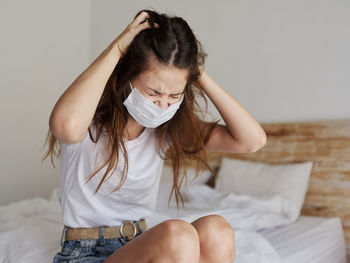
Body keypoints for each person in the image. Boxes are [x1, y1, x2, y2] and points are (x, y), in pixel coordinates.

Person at [43, 8, 266, 263]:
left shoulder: (168, 131)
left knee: (217, 229)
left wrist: (197, 72)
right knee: (177, 235)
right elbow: (65, 125)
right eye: (153, 93)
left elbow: (252, 141)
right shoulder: (88, 120)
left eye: (174, 96)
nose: (163, 105)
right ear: (128, 78)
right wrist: (118, 50)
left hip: (141, 243)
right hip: (85, 251)